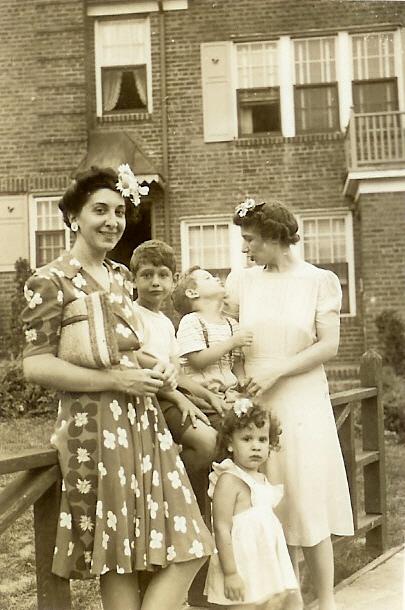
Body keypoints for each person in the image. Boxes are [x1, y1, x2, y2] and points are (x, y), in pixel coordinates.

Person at [21, 166, 213, 610]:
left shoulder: (122, 276)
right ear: (74, 217)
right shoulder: (50, 280)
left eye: (120, 212)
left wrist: (158, 368)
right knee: (119, 557)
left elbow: (124, 349)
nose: (112, 221)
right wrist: (117, 380)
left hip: (142, 421)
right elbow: (36, 365)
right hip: (93, 428)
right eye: (100, 211)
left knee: (190, 544)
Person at [225, 198, 354, 610]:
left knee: (306, 497)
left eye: (251, 240)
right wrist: (238, 378)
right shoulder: (242, 281)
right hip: (256, 400)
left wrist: (277, 371)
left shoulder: (318, 280)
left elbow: (329, 345)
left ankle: (327, 600)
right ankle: (287, 600)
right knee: (268, 503)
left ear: (275, 237)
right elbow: (229, 339)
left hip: (302, 399)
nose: (245, 248)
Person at [129, 239, 223, 477]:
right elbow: (135, 361)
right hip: (150, 398)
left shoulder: (165, 323)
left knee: (227, 425)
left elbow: (177, 374)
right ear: (133, 280)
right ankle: (169, 486)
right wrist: (181, 399)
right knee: (207, 442)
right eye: (146, 275)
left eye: (163, 275)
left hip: (172, 394)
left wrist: (209, 396)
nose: (155, 282)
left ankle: (205, 496)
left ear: (174, 280)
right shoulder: (131, 315)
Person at [204, 401, 298, 609]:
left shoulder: (261, 478)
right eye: (247, 439)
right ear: (230, 443)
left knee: (273, 603)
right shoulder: (228, 480)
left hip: (263, 562)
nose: (256, 446)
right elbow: (221, 527)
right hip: (240, 564)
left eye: (262, 439)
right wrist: (230, 573)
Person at [172, 266, 253, 415]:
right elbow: (198, 361)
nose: (216, 278)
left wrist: (242, 382)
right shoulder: (191, 321)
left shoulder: (231, 324)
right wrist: (232, 342)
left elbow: (236, 363)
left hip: (229, 395)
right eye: (207, 278)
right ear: (192, 293)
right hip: (201, 398)